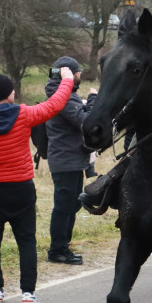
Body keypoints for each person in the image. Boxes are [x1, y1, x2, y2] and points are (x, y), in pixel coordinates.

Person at [0, 70, 74, 303]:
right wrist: (67, 80)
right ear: (9, 95)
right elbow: (54, 105)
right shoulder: (24, 115)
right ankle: (28, 293)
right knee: (26, 240)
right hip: (22, 188)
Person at [44, 57, 96, 266]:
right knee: (64, 206)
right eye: (79, 71)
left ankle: (63, 246)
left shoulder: (65, 94)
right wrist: (93, 100)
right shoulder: (63, 95)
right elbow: (85, 121)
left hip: (70, 158)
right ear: (71, 73)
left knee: (71, 204)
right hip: (66, 159)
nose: (81, 75)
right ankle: (57, 250)